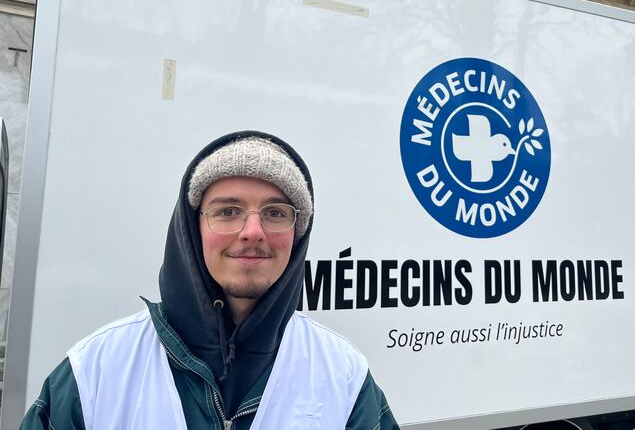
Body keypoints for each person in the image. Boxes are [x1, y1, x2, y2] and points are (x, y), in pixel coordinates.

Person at [21, 130, 399, 429]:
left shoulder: (342, 374)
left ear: (297, 234)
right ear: (191, 228)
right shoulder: (97, 371)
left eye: (275, 212)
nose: (253, 231)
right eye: (228, 211)